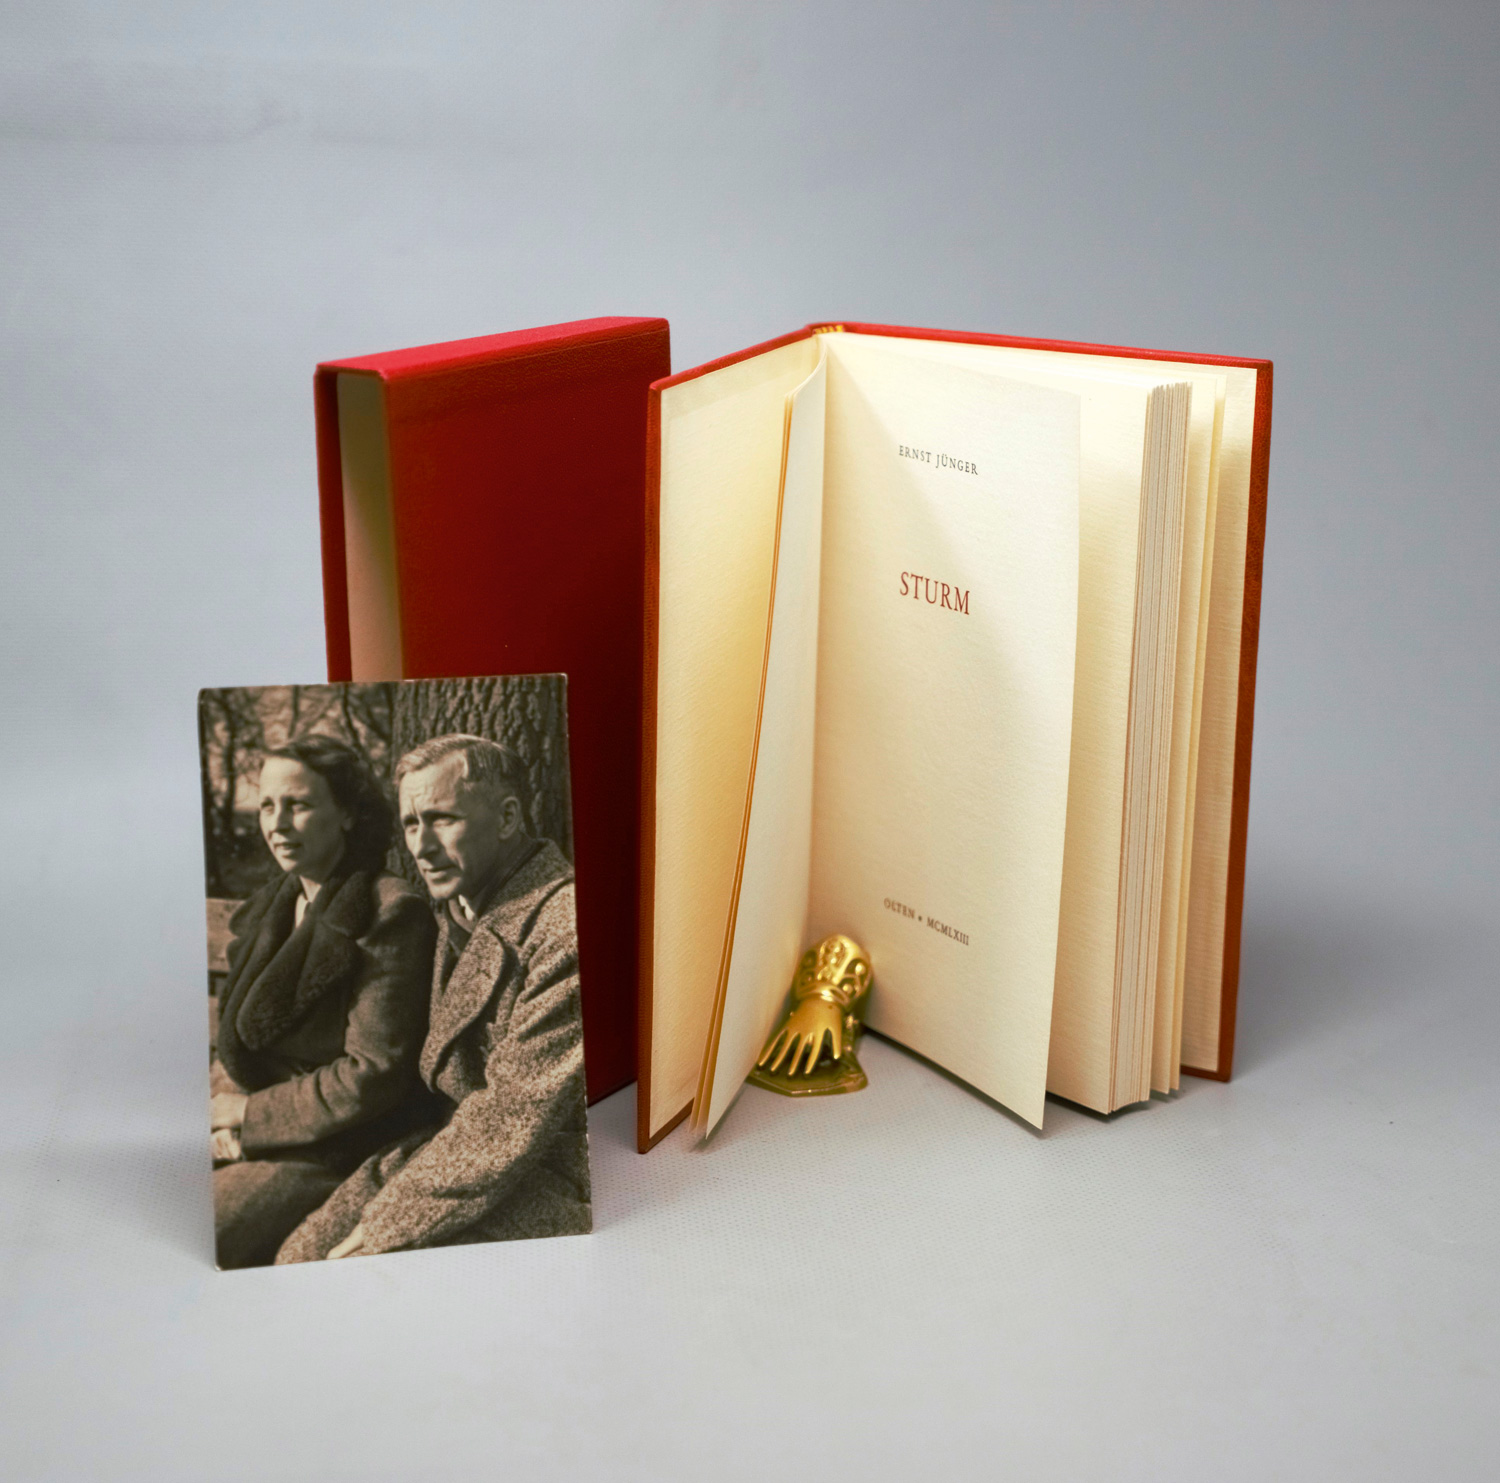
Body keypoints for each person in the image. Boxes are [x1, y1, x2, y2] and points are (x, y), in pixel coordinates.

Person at [276, 734, 591, 1262]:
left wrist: (388, 1226)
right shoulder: (461, 909)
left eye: (442, 819)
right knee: (299, 1255)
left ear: (508, 818)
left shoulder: (566, 929)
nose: (420, 847)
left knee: (362, 1272)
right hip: (451, 1154)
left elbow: (511, 1116)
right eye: (411, 824)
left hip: (555, 1175)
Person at [210, 735, 437, 1269]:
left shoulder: (388, 911)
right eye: (267, 805)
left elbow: (373, 1074)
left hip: (338, 1148)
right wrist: (222, 1115)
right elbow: (238, 1042)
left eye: (299, 805)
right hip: (252, 1130)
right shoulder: (275, 905)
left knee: (202, 1235)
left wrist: (249, 1115)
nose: (277, 824)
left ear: (348, 814)